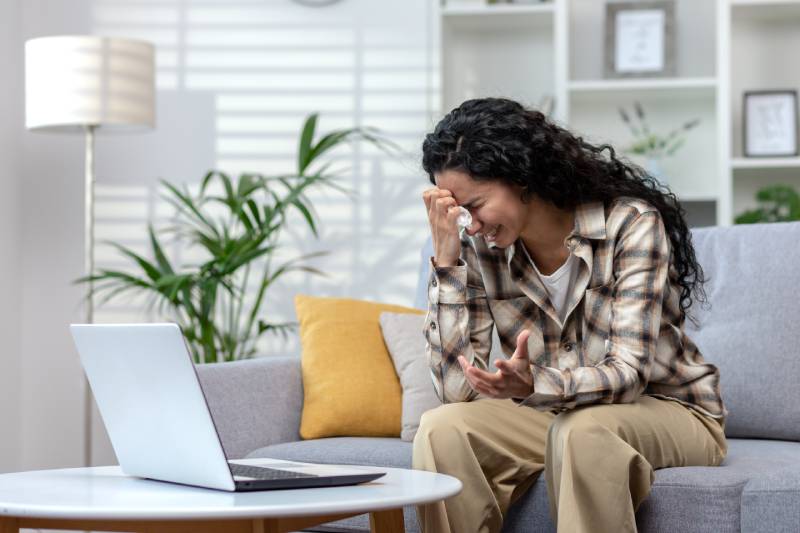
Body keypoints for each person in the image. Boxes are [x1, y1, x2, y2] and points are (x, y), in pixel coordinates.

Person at [415, 97, 727, 533]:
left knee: (583, 432)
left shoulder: (629, 225)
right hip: (558, 412)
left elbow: (628, 374)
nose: (471, 224)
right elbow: (455, 392)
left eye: (477, 204)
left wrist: (534, 384)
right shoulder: (477, 246)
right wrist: (447, 264)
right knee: (441, 428)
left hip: (665, 410)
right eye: (461, 212)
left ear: (523, 179)